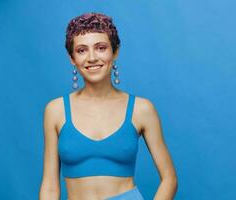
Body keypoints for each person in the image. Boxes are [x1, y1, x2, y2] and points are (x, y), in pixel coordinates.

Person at [39, 12, 178, 200]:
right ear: (72, 57)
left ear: (115, 51)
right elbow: (49, 187)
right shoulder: (55, 111)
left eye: (101, 48)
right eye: (81, 50)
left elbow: (169, 179)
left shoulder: (141, 109)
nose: (92, 58)